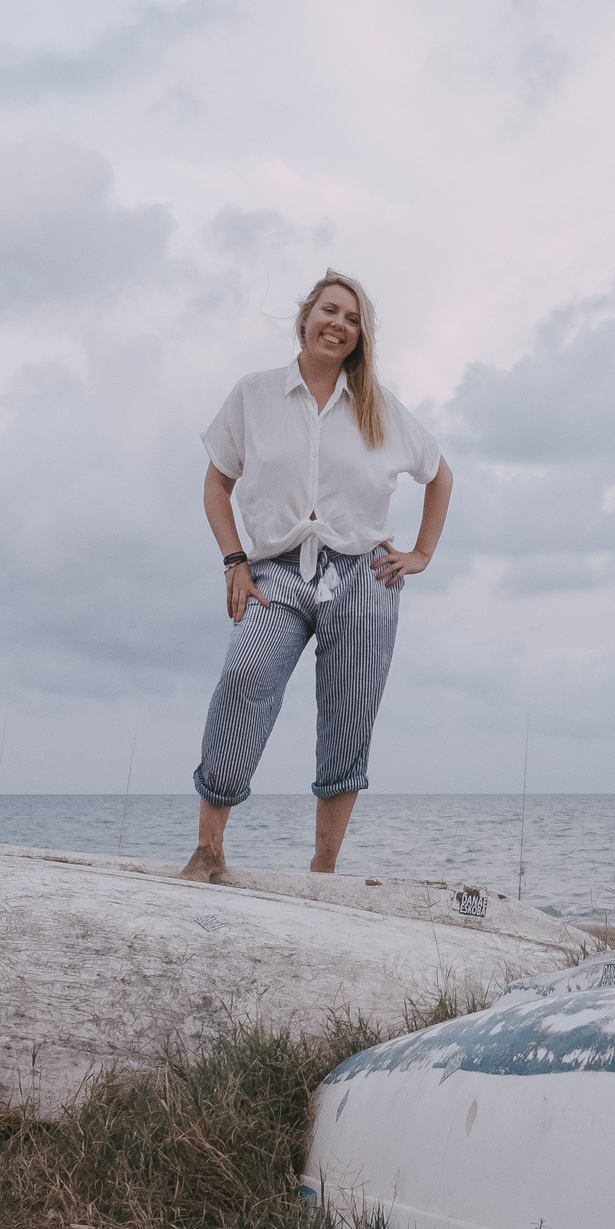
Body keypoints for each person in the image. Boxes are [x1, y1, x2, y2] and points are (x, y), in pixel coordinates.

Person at [184, 270, 454, 881]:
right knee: (243, 679)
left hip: (362, 575)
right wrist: (233, 559)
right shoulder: (253, 395)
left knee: (349, 711)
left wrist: (421, 554)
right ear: (305, 317)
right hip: (276, 572)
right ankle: (209, 851)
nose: (340, 324)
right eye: (330, 311)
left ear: (361, 336)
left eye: (353, 319)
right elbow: (217, 483)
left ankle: (323, 868)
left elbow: (440, 475)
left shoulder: (380, 408)